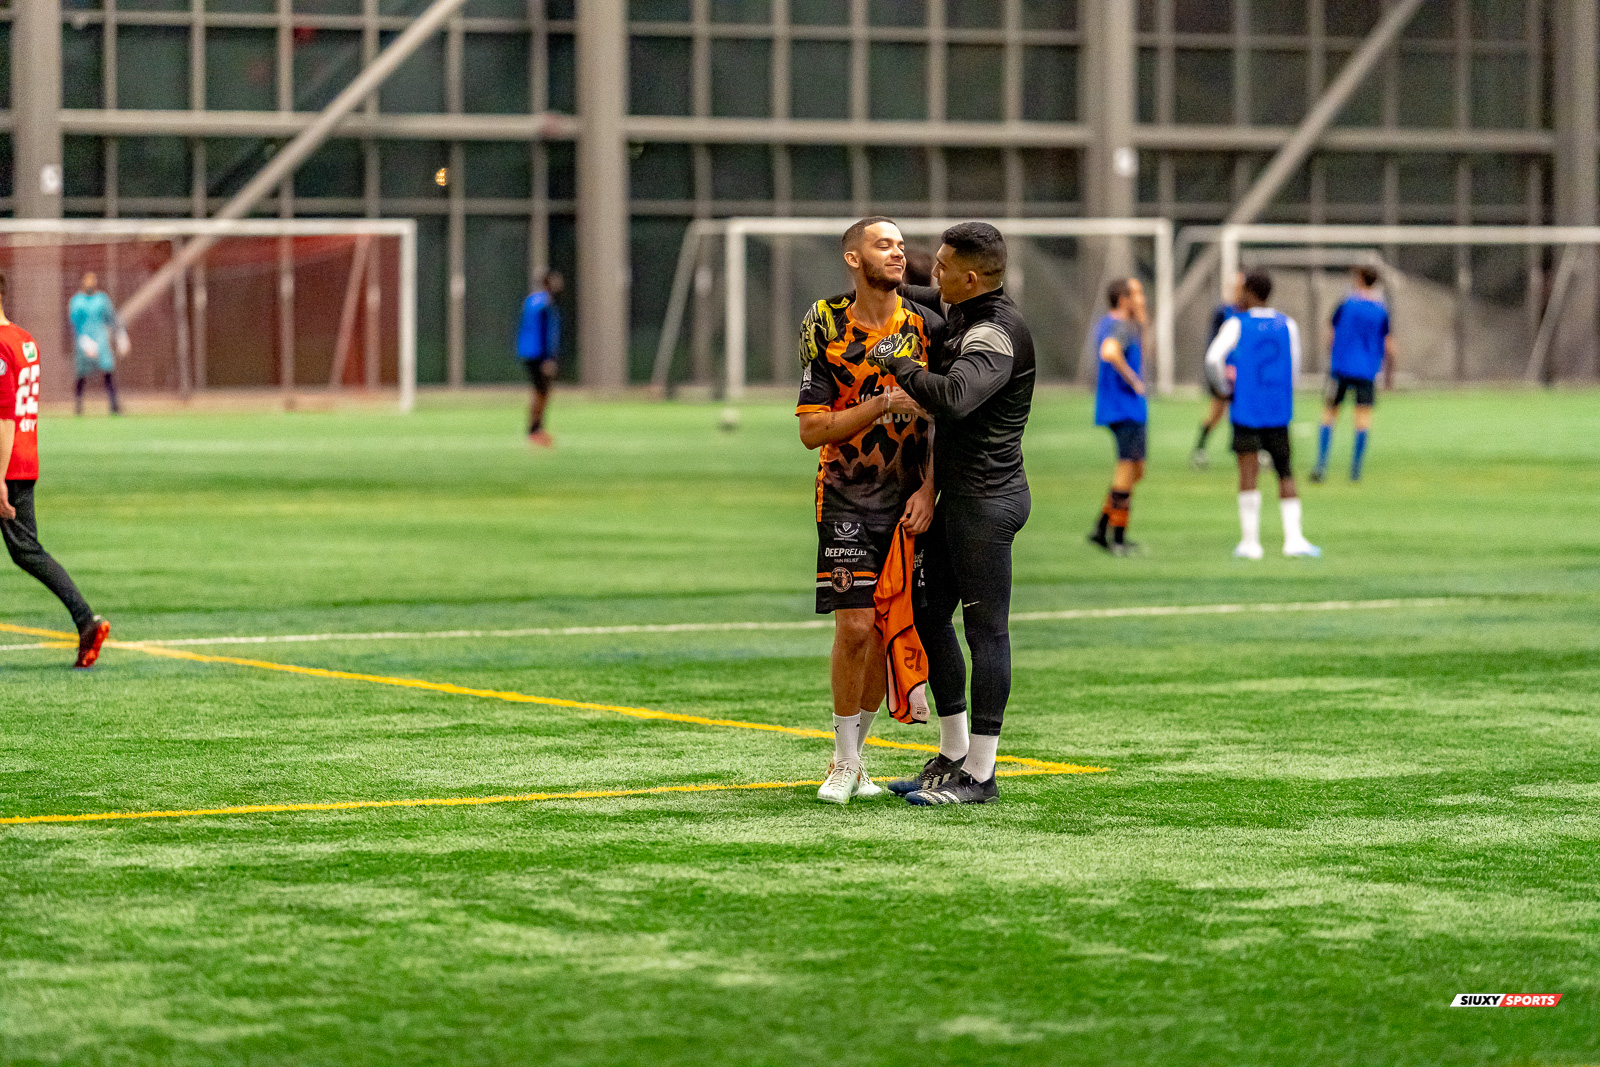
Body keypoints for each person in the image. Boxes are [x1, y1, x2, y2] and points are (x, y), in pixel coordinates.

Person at [868, 222, 1035, 806]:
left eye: (940, 267)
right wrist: (874, 277)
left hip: (988, 502)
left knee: (985, 631)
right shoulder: (964, 305)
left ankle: (982, 776)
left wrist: (901, 368)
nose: (931, 275)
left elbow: (957, 396)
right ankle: (954, 753)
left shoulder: (998, 333)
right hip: (960, 498)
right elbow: (913, 293)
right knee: (929, 610)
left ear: (968, 278)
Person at [796, 217, 937, 806]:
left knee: (884, 626)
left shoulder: (927, 324)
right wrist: (882, 403)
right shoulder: (823, 322)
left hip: (908, 497)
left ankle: (860, 758)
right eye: (884, 245)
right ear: (854, 258)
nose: (897, 253)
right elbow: (811, 429)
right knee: (853, 625)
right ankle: (842, 759)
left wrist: (929, 491)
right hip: (846, 492)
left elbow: (940, 420)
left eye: (902, 246)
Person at [0, 274, 111, 667]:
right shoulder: (26, 341)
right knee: (27, 551)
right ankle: (85, 620)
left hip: (6, 461)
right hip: (27, 458)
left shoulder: (0, 345)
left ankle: (84, 619)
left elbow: (5, 418)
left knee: (26, 551)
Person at [1204, 270, 1320, 561]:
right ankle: (1294, 540)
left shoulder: (1236, 324)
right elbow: (1295, 365)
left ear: (1249, 292)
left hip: (1246, 408)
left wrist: (1223, 388)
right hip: (1278, 408)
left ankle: (1250, 543)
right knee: (1285, 471)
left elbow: (1213, 358)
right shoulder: (1288, 324)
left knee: (1248, 472)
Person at [1312, 266, 1392, 483]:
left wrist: (1332, 353)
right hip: (1367, 371)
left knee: (1329, 414)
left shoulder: (1346, 304)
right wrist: (1389, 374)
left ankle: (1320, 466)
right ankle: (1355, 471)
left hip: (1341, 368)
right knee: (1362, 420)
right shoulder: (1381, 310)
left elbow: (1331, 332)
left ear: (1359, 279)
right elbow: (1388, 343)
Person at [1089, 277, 1147, 556]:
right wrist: (1134, 380)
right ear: (1124, 300)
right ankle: (1119, 538)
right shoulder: (1120, 325)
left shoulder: (1112, 323)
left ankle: (1101, 528)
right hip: (1125, 408)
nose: (1141, 299)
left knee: (1136, 470)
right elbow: (1109, 351)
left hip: (1121, 407)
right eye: (1136, 294)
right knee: (1126, 469)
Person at [1191, 271, 1247, 468]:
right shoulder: (1223, 312)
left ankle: (1251, 450)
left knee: (1247, 411)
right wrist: (1218, 371)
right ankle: (1199, 449)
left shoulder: (1250, 313)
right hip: (1225, 370)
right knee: (1217, 412)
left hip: (1245, 372)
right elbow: (1212, 344)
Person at [517, 271, 563, 446]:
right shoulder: (545, 303)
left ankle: (535, 429)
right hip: (538, 354)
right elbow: (544, 333)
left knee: (539, 391)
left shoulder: (531, 301)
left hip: (528, 351)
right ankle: (535, 430)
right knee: (541, 392)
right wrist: (547, 359)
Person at [67, 272, 122, 416]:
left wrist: (121, 336)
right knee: (81, 374)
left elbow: (111, 318)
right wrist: (83, 342)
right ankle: (78, 406)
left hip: (101, 340)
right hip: (83, 341)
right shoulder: (77, 301)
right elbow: (73, 324)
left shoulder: (102, 299)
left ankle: (114, 405)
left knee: (107, 371)